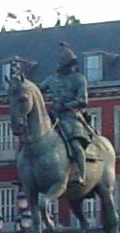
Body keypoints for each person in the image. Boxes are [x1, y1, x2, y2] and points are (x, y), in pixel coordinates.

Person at [39, 42, 91, 184]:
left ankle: (82, 174)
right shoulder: (52, 78)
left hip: (71, 115)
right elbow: (38, 90)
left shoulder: (79, 79)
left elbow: (83, 100)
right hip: (53, 115)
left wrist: (66, 105)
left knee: (75, 145)